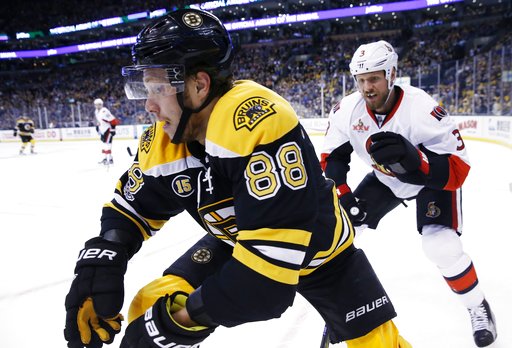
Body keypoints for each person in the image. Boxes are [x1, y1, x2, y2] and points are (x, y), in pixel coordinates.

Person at [63, 9, 412, 348]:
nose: (148, 106)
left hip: (321, 254)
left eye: (157, 89)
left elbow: (265, 284)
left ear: (198, 85)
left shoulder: (256, 121)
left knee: (378, 345)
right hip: (240, 241)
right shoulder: (165, 139)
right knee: (151, 306)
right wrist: (103, 258)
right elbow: (131, 209)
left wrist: (181, 321)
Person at [321, 40, 497, 348]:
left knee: (440, 246)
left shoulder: (422, 109)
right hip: (385, 180)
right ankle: (346, 311)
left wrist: (418, 161)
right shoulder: (347, 110)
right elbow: (332, 157)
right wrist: (344, 194)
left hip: (431, 182)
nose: (367, 88)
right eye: (361, 80)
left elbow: (458, 169)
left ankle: (476, 305)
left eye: (374, 78)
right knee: (339, 235)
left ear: (391, 75)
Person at [94, 98, 119, 165]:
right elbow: (99, 121)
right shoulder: (96, 111)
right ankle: (107, 159)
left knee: (108, 144)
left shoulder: (104, 111)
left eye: (99, 104)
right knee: (104, 144)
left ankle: (109, 159)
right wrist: (97, 126)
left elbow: (113, 120)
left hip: (108, 129)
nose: (97, 106)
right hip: (102, 130)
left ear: (101, 104)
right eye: (96, 105)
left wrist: (113, 129)